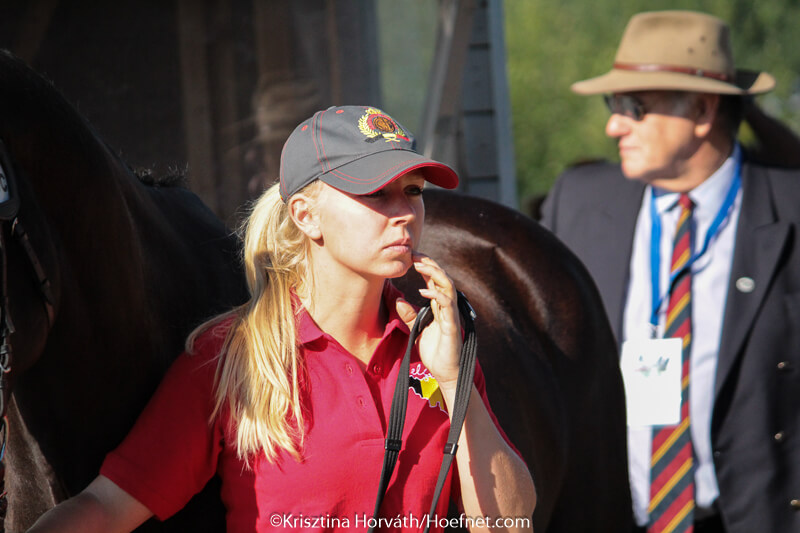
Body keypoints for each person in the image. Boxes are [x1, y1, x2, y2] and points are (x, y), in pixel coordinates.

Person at [28, 105, 535, 532]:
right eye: (377, 193)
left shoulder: (437, 349)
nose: (405, 212)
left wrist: (455, 383)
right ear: (305, 215)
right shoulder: (230, 361)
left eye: (414, 191)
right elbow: (106, 508)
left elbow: (510, 524)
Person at [540, 10, 800, 533]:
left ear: (702, 110)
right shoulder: (580, 202)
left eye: (634, 108)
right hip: (613, 517)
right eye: (613, 106)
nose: (614, 126)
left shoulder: (789, 208)